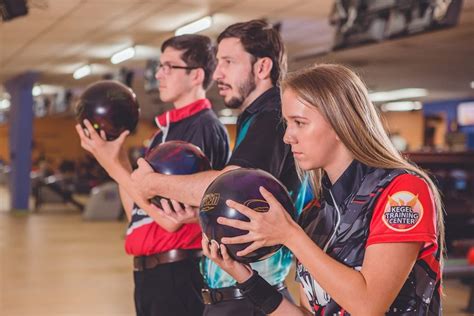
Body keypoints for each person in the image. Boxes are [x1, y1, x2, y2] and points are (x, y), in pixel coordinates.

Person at [203, 64, 444, 315]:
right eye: (287, 123)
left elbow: (368, 305)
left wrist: (291, 236)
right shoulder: (315, 212)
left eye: (299, 122)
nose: (288, 137)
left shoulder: (402, 192)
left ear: (341, 123)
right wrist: (245, 277)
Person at [131, 20, 311, 316]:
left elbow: (228, 189)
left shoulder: (271, 115)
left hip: (249, 294)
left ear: (262, 68)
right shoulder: (254, 117)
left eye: (228, 62)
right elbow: (248, 204)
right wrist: (198, 214)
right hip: (240, 292)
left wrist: (150, 183)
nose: (218, 73)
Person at [75, 34, 230, 316]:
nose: (158, 74)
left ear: (196, 75)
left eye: (169, 66)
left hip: (179, 273)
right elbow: (136, 210)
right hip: (150, 274)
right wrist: (117, 155)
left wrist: (111, 164)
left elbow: (172, 219)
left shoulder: (204, 128)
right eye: (159, 66)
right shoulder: (162, 134)